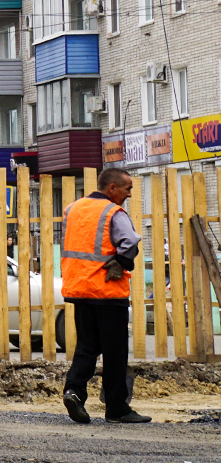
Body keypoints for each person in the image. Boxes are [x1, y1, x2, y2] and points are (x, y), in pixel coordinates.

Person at [60, 167, 150, 424]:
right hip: (108, 291)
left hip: (80, 289)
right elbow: (130, 242)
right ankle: (117, 409)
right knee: (115, 351)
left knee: (87, 346)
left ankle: (73, 391)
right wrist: (121, 262)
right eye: (127, 188)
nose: (129, 194)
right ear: (112, 188)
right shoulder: (113, 212)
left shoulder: (72, 209)